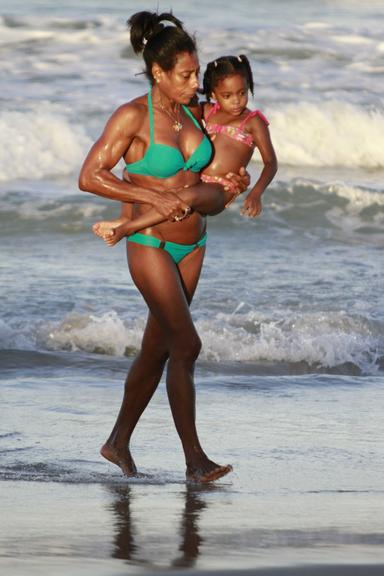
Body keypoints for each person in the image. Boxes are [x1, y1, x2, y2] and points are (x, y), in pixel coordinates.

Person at [79, 11, 250, 483]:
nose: (196, 82)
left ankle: (117, 442)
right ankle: (196, 461)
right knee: (187, 344)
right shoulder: (133, 116)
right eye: (186, 74)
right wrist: (149, 196)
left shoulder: (195, 112)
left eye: (195, 73)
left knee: (157, 350)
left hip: (193, 245)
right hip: (150, 242)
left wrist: (235, 179)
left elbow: (214, 168)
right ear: (158, 72)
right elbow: (90, 176)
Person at [93, 54, 277, 246]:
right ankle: (125, 216)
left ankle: (128, 228)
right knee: (129, 173)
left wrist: (256, 192)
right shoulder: (208, 111)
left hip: (220, 187)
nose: (237, 101)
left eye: (242, 93)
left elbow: (271, 163)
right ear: (213, 94)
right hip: (198, 180)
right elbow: (178, 103)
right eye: (227, 96)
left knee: (188, 196)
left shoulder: (253, 122)